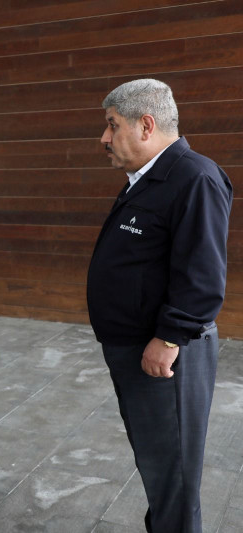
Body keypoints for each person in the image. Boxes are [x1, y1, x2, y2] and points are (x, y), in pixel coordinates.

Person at [87, 79, 233, 532]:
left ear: (146, 125)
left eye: (112, 125)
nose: (104, 138)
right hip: (135, 349)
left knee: (174, 476)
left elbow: (202, 276)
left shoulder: (195, 178)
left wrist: (169, 338)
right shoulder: (147, 178)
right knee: (159, 468)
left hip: (166, 358)